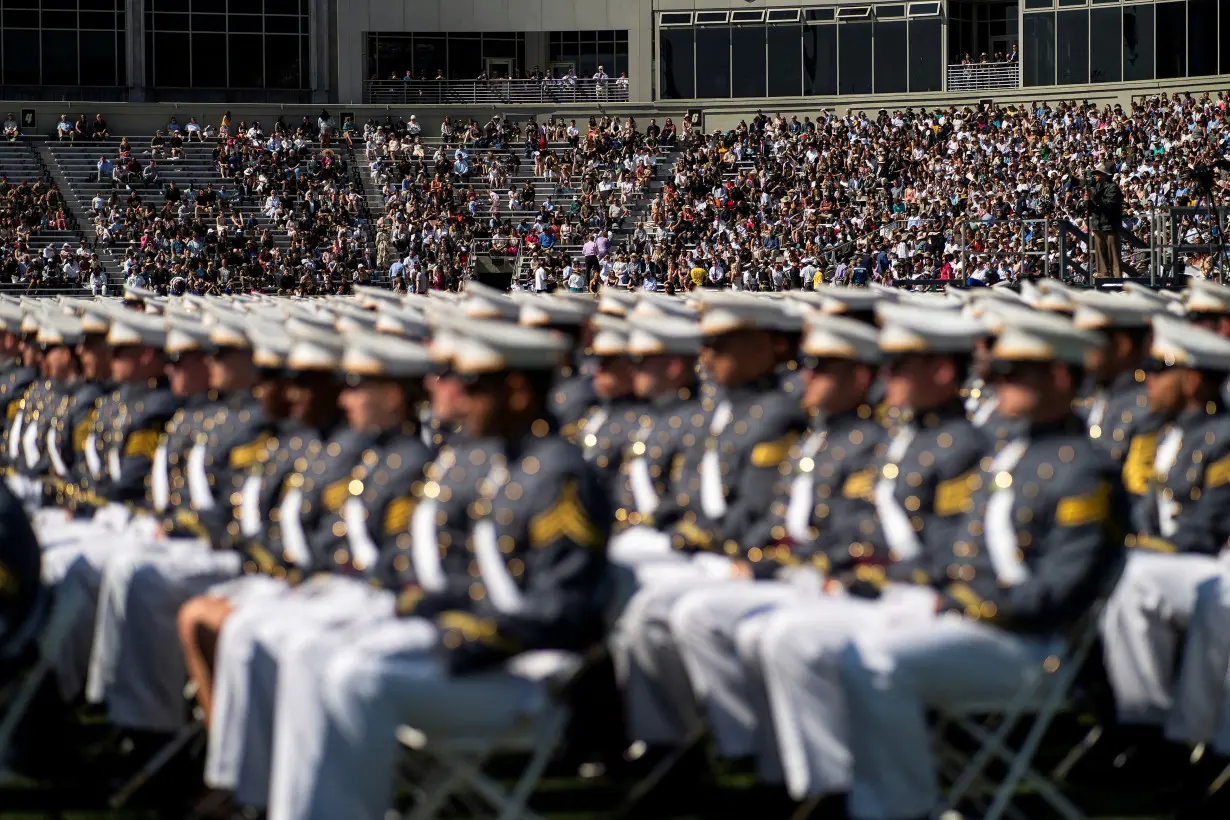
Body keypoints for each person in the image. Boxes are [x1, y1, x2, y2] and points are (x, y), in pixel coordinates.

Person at [260, 318, 613, 820]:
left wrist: (458, 633)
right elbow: (477, 580)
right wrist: (430, 609)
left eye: (473, 387)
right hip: (481, 653)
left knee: (354, 677)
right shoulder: (509, 463)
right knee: (320, 659)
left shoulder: (560, 475)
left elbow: (561, 610)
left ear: (516, 391)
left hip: (530, 673)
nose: (459, 399)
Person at [839, 307, 1123, 820]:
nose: (994, 385)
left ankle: (902, 808)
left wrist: (966, 603)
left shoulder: (1084, 470)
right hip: (975, 620)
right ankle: (878, 795)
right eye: (996, 373)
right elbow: (963, 557)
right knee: (837, 635)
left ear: (1061, 377)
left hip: (1032, 645)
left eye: (1012, 375)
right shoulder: (1011, 452)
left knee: (877, 660)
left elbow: (1058, 594)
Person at [1086, 160, 1124, 278]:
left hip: (1110, 224)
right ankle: (1103, 275)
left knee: (1113, 253)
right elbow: (1092, 206)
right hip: (1097, 224)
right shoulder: (1096, 187)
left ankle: (1116, 278)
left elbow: (1109, 205)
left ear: (1105, 175)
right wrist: (1087, 200)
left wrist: (1094, 197)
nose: (1096, 176)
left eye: (1098, 173)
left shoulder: (1113, 188)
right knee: (1100, 252)